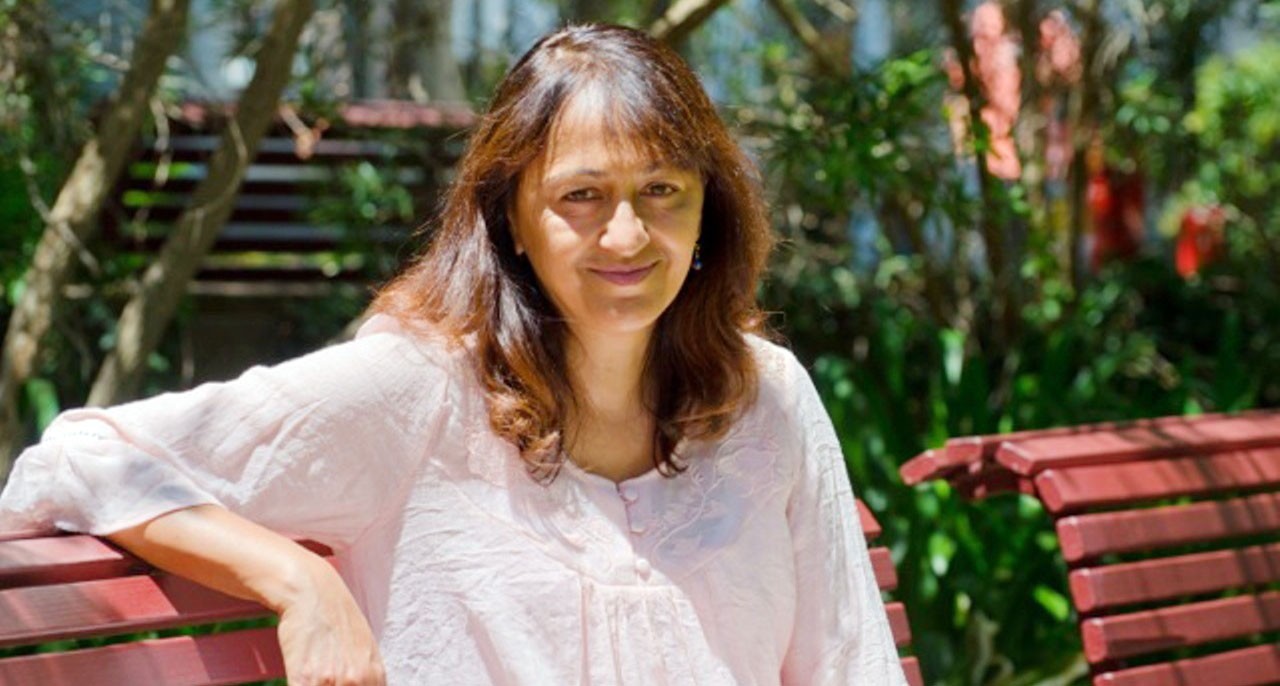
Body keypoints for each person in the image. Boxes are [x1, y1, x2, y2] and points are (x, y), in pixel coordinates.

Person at [0, 24, 907, 686]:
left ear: (710, 207)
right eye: (582, 195)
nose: (627, 234)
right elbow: (82, 457)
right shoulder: (419, 390)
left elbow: (849, 661)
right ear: (511, 218)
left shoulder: (765, 397)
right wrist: (298, 579)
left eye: (662, 189)